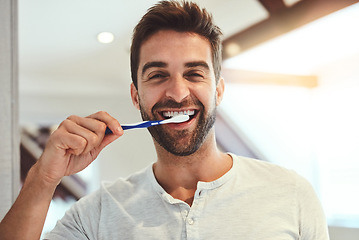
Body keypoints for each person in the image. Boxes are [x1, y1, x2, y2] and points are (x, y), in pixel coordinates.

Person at [0, 1, 329, 239]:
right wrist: (44, 177)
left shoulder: (292, 194)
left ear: (219, 91)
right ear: (135, 96)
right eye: (158, 75)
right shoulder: (98, 213)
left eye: (194, 73)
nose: (176, 91)